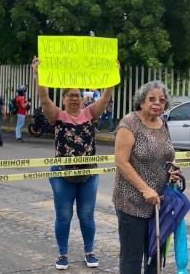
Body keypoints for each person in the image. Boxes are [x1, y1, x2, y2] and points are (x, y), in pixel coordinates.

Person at [31, 56, 115, 270]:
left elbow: (105, 99)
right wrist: (38, 75)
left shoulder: (90, 114)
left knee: (86, 215)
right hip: (62, 175)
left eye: (78, 95)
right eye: (70, 95)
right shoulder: (57, 115)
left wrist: (112, 76)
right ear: (64, 99)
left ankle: (89, 251)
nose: (75, 99)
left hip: (88, 175)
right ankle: (62, 254)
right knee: (64, 215)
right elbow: (43, 99)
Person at [113, 80, 181, 274]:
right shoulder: (129, 123)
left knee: (156, 257)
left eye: (161, 100)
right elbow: (121, 162)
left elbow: (165, 157)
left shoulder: (163, 124)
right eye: (151, 99)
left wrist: (172, 171)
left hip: (160, 204)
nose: (157, 103)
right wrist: (145, 189)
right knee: (132, 257)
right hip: (131, 202)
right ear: (141, 102)